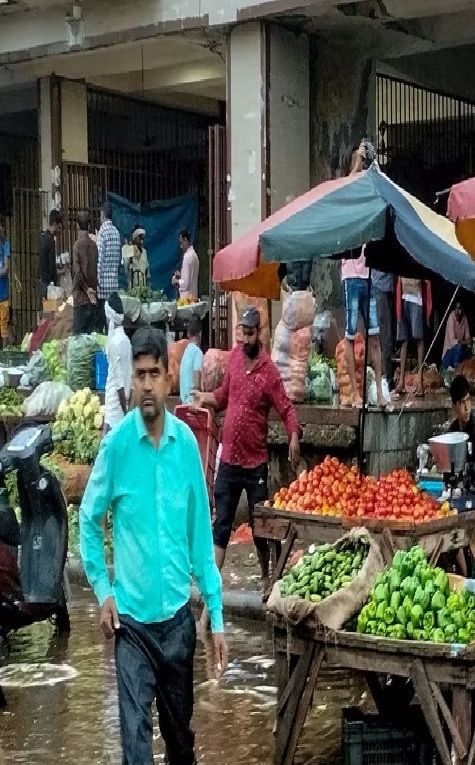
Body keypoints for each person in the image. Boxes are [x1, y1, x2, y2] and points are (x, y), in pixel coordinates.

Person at [79, 327, 227, 764]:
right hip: (132, 628)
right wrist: (104, 592)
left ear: (168, 379)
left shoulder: (185, 447)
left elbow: (201, 538)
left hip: (178, 625)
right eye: (139, 374)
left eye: (154, 373)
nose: (146, 383)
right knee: (135, 746)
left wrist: (215, 616)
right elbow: (89, 520)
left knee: (182, 746)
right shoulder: (117, 446)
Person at [193, 307, 301, 602]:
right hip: (229, 459)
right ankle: (211, 589)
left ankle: (267, 577)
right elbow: (224, 396)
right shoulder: (236, 361)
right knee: (221, 524)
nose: (244, 339)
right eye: (242, 332)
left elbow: (286, 408)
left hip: (255, 463)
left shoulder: (269, 372)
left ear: (260, 334)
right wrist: (207, 398)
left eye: (249, 333)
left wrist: (293, 436)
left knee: (260, 527)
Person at [341, 247, 388, 409]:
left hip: (368, 277)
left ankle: (380, 392)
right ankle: (355, 392)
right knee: (350, 334)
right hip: (351, 276)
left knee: (375, 336)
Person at [103, 293, 132, 433]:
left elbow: (119, 382)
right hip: (122, 404)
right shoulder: (126, 341)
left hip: (115, 407)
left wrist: (125, 411)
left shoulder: (114, 343)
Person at [448, 374, 475, 477]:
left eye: (468, 400)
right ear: (454, 406)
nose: (467, 408)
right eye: (461, 403)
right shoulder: (452, 430)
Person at [396, 277, 426, 397]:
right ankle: (401, 382)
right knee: (403, 340)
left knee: (419, 339)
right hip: (403, 295)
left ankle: (420, 382)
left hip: (416, 296)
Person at [72, 210, 101, 334]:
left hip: (81, 298)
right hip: (93, 297)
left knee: (79, 339)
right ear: (89, 226)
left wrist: (86, 289)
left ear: (77, 226)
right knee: (91, 339)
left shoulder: (77, 246)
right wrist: (91, 290)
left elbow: (78, 273)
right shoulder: (94, 245)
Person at [371, 267, 396, 385]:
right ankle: (387, 379)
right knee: (385, 336)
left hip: (387, 287)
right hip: (380, 288)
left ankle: (388, 378)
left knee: (387, 336)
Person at [98, 202, 122, 299]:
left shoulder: (102, 232)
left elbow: (99, 261)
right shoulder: (116, 232)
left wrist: (96, 284)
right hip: (114, 288)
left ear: (102, 214)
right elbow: (119, 260)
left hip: (103, 288)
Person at [179, 315, 205, 405]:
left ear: (188, 334)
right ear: (200, 334)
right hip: (192, 405)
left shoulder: (185, 352)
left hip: (183, 404)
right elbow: (196, 380)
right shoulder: (197, 353)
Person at [39, 208, 63, 300]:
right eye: (58, 227)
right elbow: (51, 266)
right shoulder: (50, 240)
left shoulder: (44, 238)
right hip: (48, 283)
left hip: (43, 280)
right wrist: (58, 274)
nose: (59, 230)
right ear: (54, 224)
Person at [442, 299, 472, 370]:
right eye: (457, 309)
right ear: (454, 309)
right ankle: (456, 370)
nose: (459, 312)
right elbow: (453, 342)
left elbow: (468, 337)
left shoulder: (464, 318)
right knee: (458, 347)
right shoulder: (451, 318)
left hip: (459, 351)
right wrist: (465, 342)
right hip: (449, 354)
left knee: (468, 351)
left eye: (460, 309)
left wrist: (469, 343)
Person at [174, 229, 199, 300]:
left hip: (186, 298)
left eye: (181, 242)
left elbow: (185, 283)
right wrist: (181, 276)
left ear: (185, 240)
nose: (180, 246)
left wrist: (176, 281)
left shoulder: (187, 257)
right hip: (193, 295)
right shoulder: (194, 255)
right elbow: (190, 277)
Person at [125, 226, 150, 291]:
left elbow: (147, 270)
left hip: (144, 288)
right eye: (140, 239)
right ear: (134, 238)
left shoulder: (144, 252)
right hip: (133, 289)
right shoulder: (129, 251)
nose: (141, 241)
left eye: (143, 239)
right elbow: (126, 269)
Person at [0, 219, 9, 347]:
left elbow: (6, 268)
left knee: (3, 323)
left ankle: (4, 353)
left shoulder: (5, 244)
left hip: (3, 292)